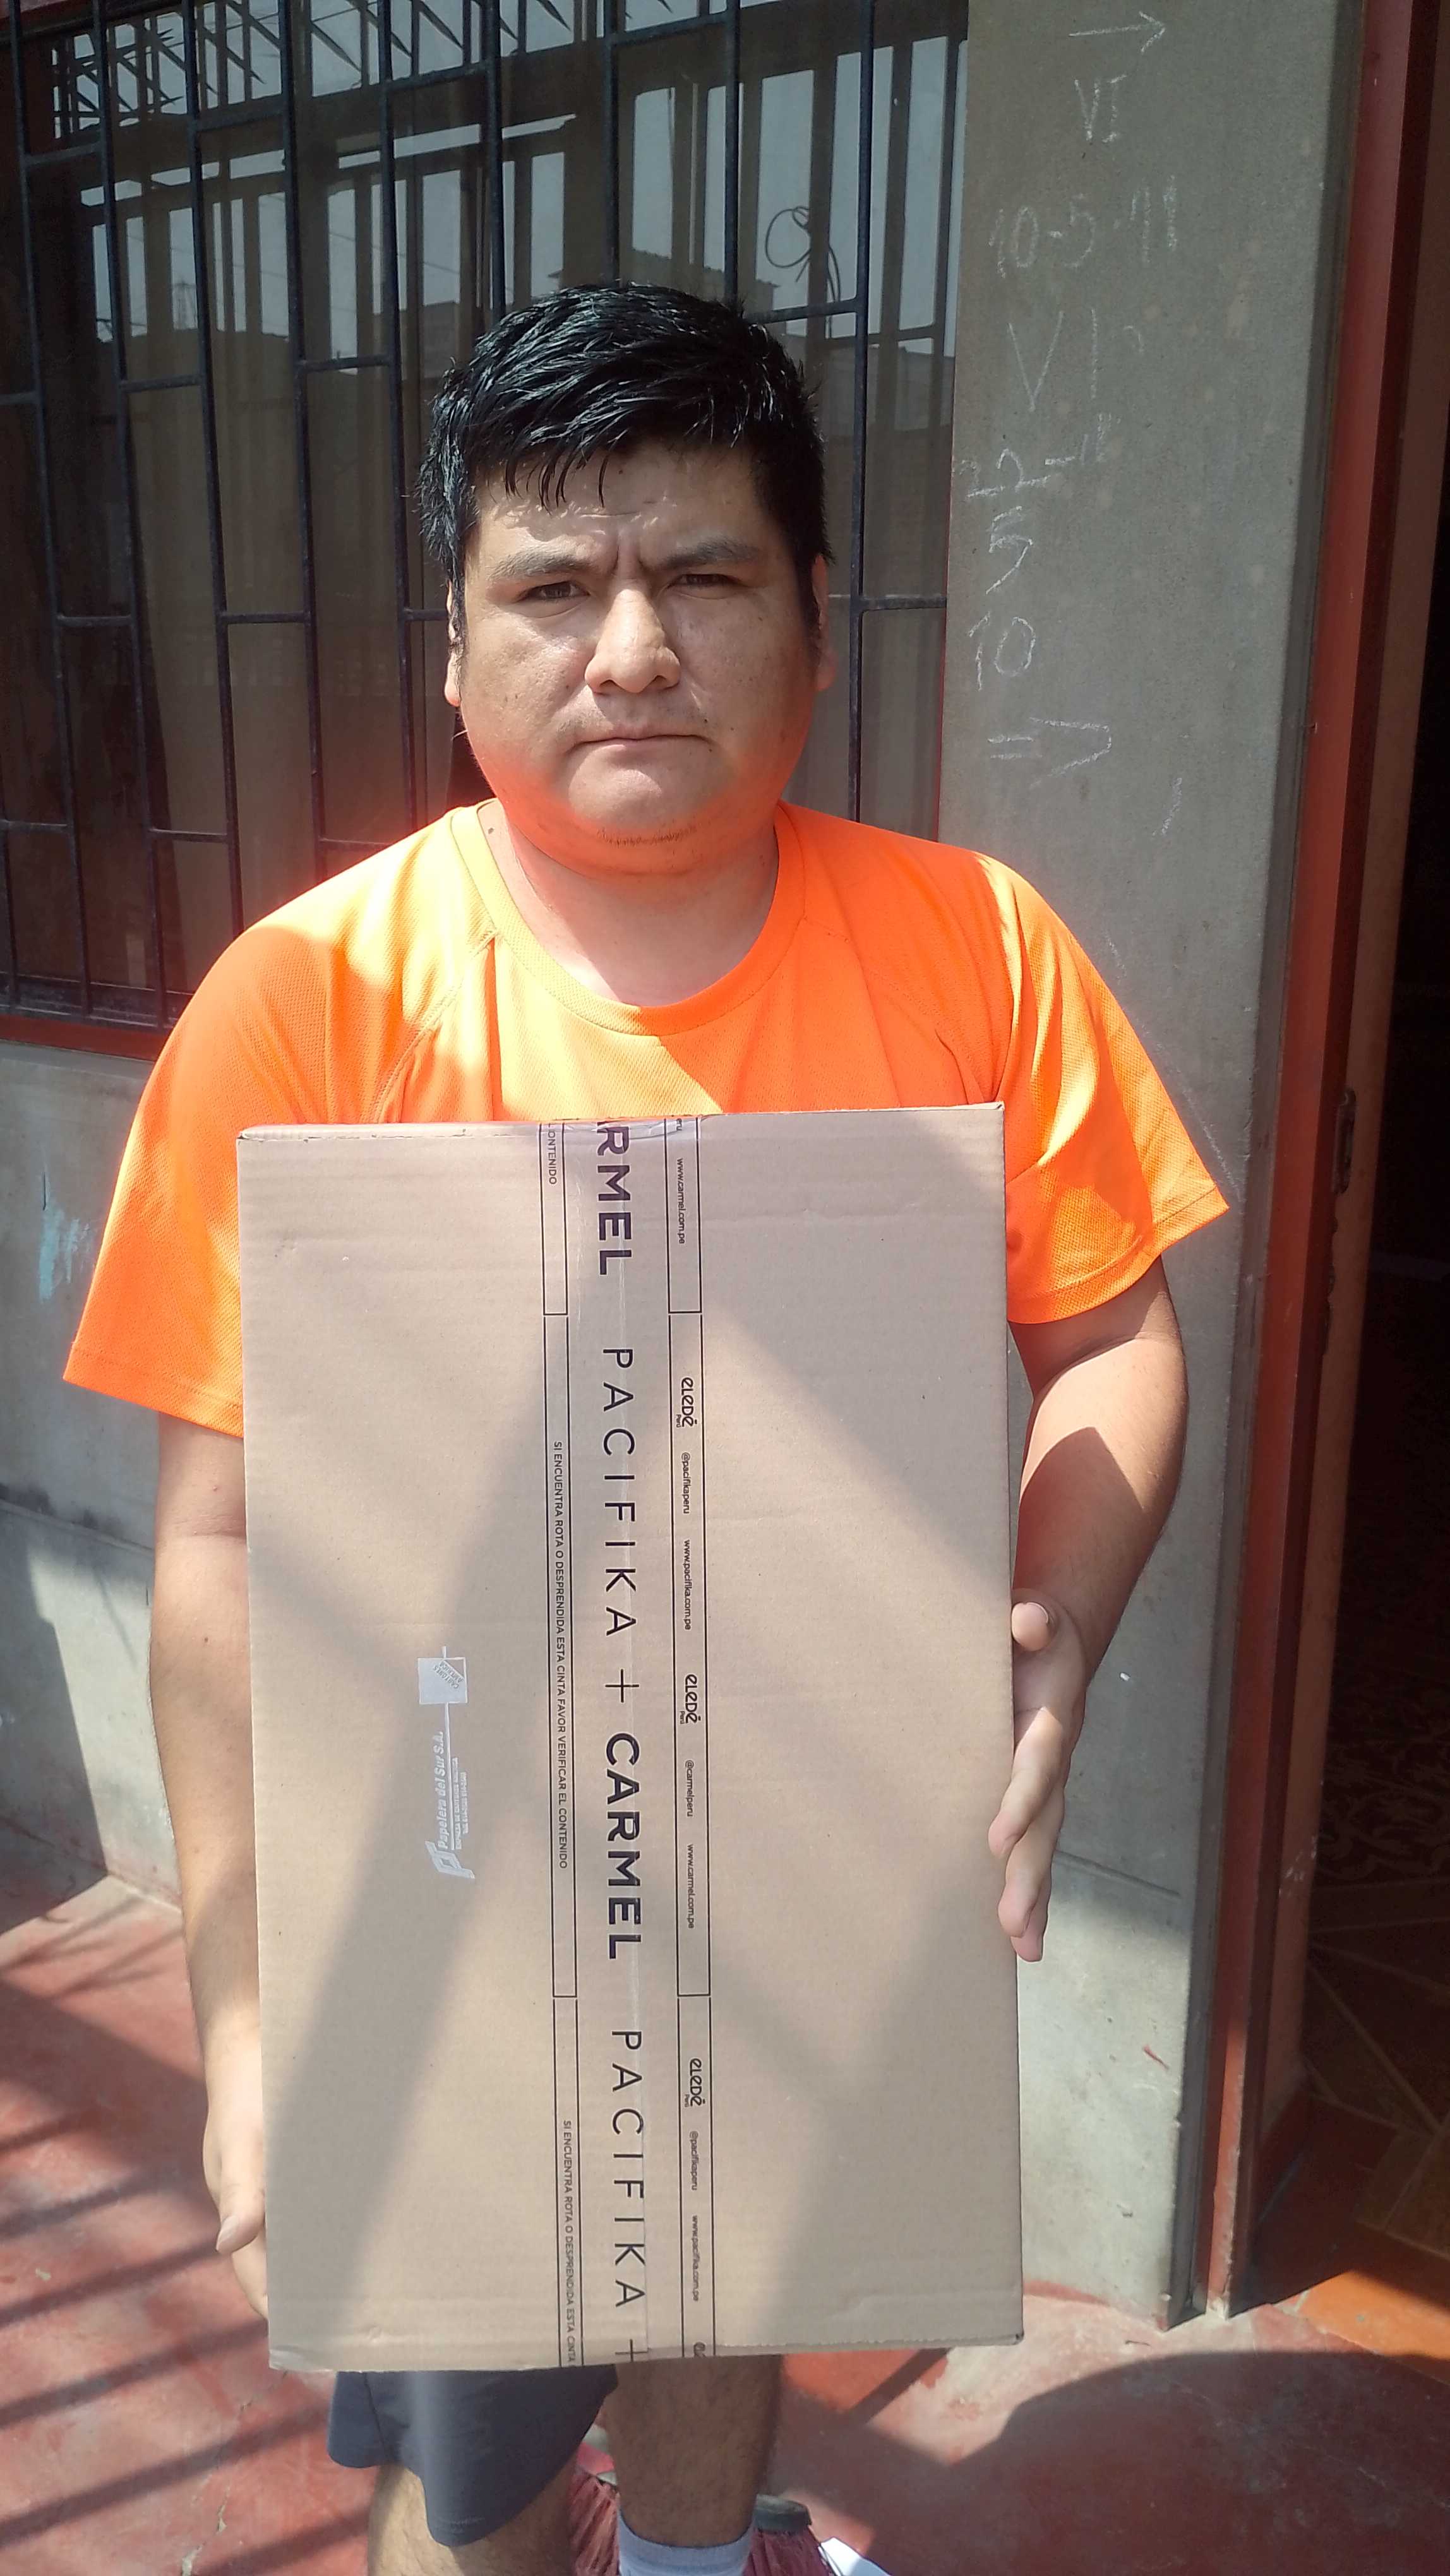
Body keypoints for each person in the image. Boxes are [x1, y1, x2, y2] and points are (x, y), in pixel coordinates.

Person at [66, 283, 1225, 2576]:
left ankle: (702, 2559)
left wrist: (1054, 1632)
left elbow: (1116, 1337)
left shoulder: (976, 953)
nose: (630, 651)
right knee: (474, 2451)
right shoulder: (309, 1005)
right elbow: (215, 1543)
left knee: (729, 2290)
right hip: (460, 1874)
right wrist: (252, 2012)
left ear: (818, 619)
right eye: (553, 588)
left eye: (703, 575)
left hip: (807, 1848)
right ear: (454, 649)